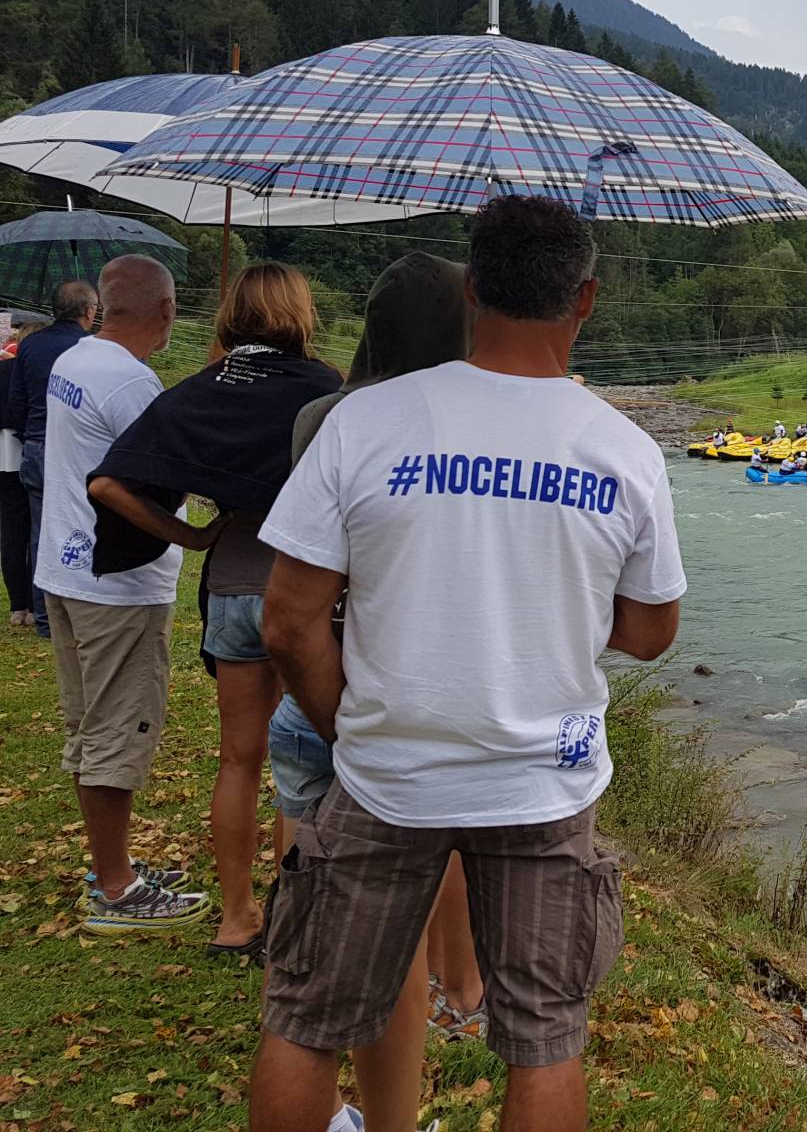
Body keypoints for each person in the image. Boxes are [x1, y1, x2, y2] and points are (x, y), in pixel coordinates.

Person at [248, 197, 685, 1132]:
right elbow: (651, 633)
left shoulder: (365, 425)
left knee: (308, 1020)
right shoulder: (624, 450)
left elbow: (287, 624)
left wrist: (350, 725)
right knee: (546, 1039)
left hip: (387, 776)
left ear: (474, 290)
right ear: (587, 300)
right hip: (545, 786)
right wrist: (548, 610)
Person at [268, 251, 477, 1129]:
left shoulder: (323, 417)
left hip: (315, 692)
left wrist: (329, 711)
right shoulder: (468, 427)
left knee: (312, 972)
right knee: (388, 955)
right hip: (400, 709)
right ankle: (426, 1057)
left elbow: (299, 601)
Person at [88, 264, 344, 958]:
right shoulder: (328, 393)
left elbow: (109, 481)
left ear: (233, 316)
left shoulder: (198, 391)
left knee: (239, 760)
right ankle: (292, 921)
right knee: (304, 761)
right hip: (304, 594)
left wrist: (196, 536)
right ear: (299, 314)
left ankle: (236, 921)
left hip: (230, 585)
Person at [37, 257, 206, 933]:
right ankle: (115, 885)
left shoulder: (75, 360)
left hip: (64, 568)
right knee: (116, 733)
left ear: (106, 305)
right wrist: (192, 538)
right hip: (118, 585)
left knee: (89, 729)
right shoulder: (133, 384)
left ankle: (111, 863)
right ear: (166, 312)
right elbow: (144, 482)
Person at [7, 280, 99, 636]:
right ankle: (83, 611)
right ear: (89, 311)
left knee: (40, 531)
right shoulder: (90, 348)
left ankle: (45, 618)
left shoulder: (30, 346)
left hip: (37, 445)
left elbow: (16, 402)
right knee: (85, 526)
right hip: (78, 449)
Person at [0, 316, 47, 625]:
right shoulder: (36, 372)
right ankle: (37, 599)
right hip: (29, 449)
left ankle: (19, 604)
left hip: (3, 456)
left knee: (11, 530)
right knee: (37, 529)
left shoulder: (4, 368)